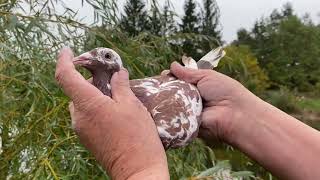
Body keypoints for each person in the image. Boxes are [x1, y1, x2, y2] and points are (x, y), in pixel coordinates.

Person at [55, 47, 320, 180]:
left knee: (171, 130)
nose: (90, 57)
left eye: (104, 56)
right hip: (175, 88)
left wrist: (138, 166)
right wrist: (238, 112)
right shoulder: (126, 94)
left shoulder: (166, 124)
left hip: (181, 98)